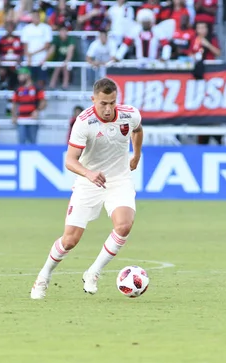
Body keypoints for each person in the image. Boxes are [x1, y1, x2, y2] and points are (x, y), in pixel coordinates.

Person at [30, 78, 144, 300]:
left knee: (124, 225)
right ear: (93, 100)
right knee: (70, 240)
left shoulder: (130, 114)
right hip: (88, 183)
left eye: (112, 102)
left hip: (118, 180)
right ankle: (43, 276)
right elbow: (70, 161)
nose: (108, 108)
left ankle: (94, 272)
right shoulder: (84, 122)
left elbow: (137, 130)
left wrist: (136, 155)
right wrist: (89, 173)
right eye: (103, 103)